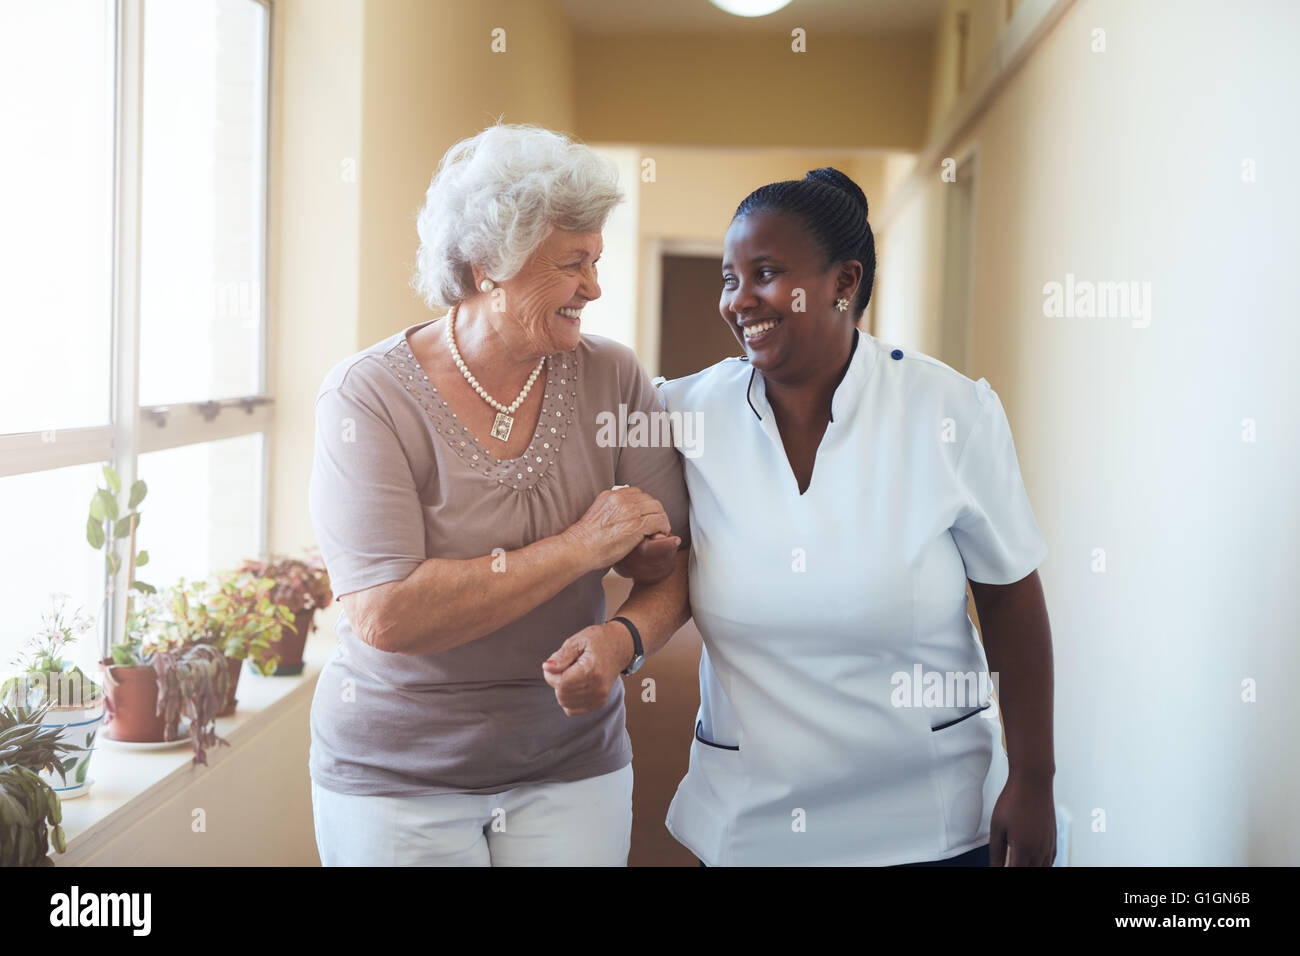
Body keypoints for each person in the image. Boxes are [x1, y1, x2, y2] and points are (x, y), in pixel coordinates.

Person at [306, 123, 690, 866]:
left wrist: (624, 637)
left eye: (597, 259)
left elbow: (670, 566)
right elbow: (387, 613)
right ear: (488, 267)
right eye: (572, 263)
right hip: (395, 776)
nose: (595, 287)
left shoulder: (613, 377)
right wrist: (581, 547)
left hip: (571, 759)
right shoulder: (367, 396)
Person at [655, 168, 1057, 866]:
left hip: (926, 820)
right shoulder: (682, 415)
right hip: (750, 821)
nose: (738, 300)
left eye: (766, 273)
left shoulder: (949, 411)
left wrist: (1034, 778)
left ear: (845, 282)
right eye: (729, 278)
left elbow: (1011, 601)